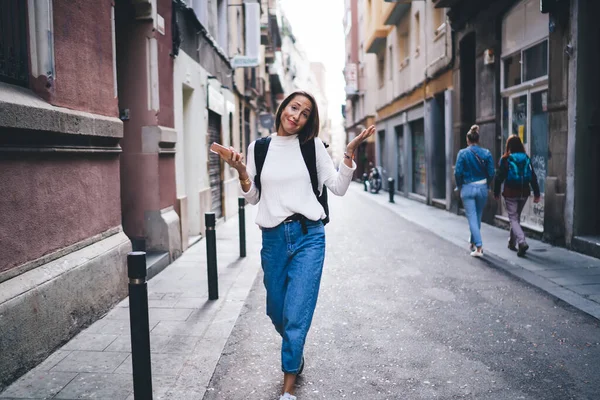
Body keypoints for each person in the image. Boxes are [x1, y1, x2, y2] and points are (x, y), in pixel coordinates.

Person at [220, 90, 375, 400]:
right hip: (273, 240)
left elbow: (339, 188)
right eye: (294, 108)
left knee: (295, 313)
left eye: (305, 114)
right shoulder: (259, 148)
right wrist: (240, 171)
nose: (297, 116)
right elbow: (252, 197)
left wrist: (348, 154)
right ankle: (296, 350)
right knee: (276, 311)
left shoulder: (312, 147)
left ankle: (288, 388)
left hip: (309, 237)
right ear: (283, 108)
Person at [493, 135, 541, 257]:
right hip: (524, 192)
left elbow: (499, 177)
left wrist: (496, 192)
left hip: (510, 192)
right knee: (516, 218)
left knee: (513, 218)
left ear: (508, 146)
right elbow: (533, 176)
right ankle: (512, 242)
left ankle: (522, 241)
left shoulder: (506, 159)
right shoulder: (526, 158)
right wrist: (536, 193)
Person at [454, 125, 495, 257]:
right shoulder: (487, 153)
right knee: (477, 216)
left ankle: (479, 247)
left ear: (468, 140)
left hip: (467, 188)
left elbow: (457, 172)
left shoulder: (462, 153)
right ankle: (473, 241)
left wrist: (459, 185)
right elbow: (491, 173)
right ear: (478, 139)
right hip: (482, 188)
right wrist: (486, 184)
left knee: (472, 217)